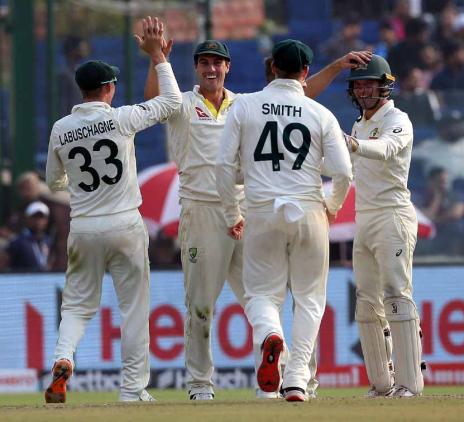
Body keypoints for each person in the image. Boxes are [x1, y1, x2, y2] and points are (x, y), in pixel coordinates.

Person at [144, 39, 369, 401]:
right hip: (203, 211)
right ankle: (202, 385)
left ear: (228, 67)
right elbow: (157, 102)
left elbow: (295, 94)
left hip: (251, 210)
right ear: (196, 68)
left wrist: (338, 65)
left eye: (218, 62)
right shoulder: (183, 102)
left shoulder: (244, 103)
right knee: (201, 306)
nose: (211, 69)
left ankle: (277, 384)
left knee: (264, 300)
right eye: (204, 63)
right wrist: (158, 60)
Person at [44, 17, 181, 403]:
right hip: (124, 223)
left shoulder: (60, 128)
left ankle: (63, 358)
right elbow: (171, 103)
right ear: (107, 89)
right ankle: (132, 390)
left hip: (84, 225)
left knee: (76, 305)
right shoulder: (121, 119)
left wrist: (78, 185)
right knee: (134, 308)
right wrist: (158, 58)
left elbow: (55, 182)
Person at [216, 39, 352, 402]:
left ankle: (270, 336)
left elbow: (223, 167)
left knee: (261, 294)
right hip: (309, 209)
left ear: (272, 67)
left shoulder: (243, 106)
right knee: (309, 299)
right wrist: (331, 206)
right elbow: (343, 172)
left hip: (261, 211)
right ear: (306, 73)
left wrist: (232, 212)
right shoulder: (320, 113)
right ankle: (296, 381)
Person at [343, 54, 424, 397]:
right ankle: (381, 383)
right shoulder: (358, 125)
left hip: (393, 215)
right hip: (365, 218)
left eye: (369, 83)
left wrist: (355, 144)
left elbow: (388, 149)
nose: (363, 89)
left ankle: (410, 383)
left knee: (397, 294)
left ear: (384, 86)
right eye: (358, 84)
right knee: (365, 301)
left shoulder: (398, 119)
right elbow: (347, 170)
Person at [6, 201, 51, 271]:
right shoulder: (18, 242)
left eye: (41, 217)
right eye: (34, 217)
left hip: (44, 280)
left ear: (46, 220)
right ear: (27, 219)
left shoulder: (48, 241)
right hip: (23, 281)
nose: (38, 221)